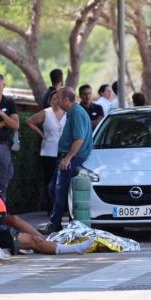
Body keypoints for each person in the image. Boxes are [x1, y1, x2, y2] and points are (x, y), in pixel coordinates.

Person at [40, 87, 94, 233]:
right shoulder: (74, 112)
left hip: (73, 158)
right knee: (55, 189)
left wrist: (68, 158)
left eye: (58, 98)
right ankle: (63, 223)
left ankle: (56, 224)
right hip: (69, 157)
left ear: (65, 100)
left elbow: (79, 139)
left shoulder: (76, 113)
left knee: (60, 191)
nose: (56, 101)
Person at [26, 89, 67, 212]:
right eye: (53, 99)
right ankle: (51, 207)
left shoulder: (67, 113)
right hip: (48, 150)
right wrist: (41, 134)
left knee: (62, 180)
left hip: (63, 151)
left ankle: (62, 207)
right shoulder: (46, 113)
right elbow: (29, 121)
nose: (56, 101)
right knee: (49, 180)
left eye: (58, 98)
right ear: (50, 101)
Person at [0, 73, 19, 199]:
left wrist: (0, 113)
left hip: (5, 147)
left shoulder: (9, 102)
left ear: (3, 86)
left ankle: (1, 208)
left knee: (3, 182)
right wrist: (6, 122)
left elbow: (16, 125)